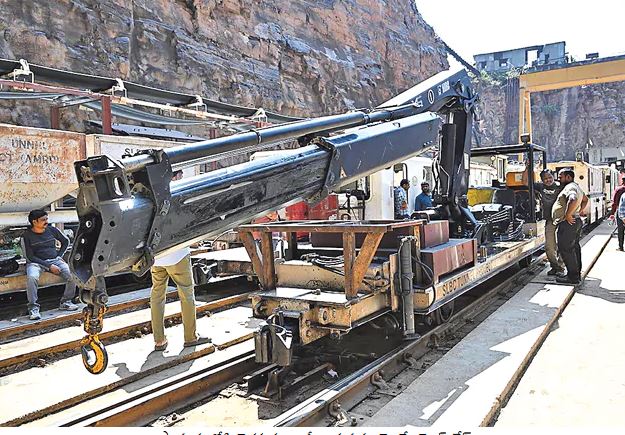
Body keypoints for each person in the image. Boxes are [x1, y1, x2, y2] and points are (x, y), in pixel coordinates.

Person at [150, 170, 210, 351]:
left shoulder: (153, 195)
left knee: (157, 296)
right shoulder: (178, 194)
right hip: (177, 254)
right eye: (180, 176)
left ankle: (159, 340)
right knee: (187, 294)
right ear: (174, 177)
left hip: (157, 256)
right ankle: (190, 337)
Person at [21, 209, 78, 320]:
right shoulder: (26, 236)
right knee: (32, 277)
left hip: (54, 260)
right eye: (43, 220)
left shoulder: (52, 230)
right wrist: (49, 266)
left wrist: (59, 256)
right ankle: (33, 308)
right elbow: (29, 257)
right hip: (35, 263)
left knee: (72, 275)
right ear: (34, 221)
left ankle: (66, 302)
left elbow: (65, 241)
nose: (47, 221)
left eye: (47, 219)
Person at [552, 168, 588, 285]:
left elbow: (573, 199)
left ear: (568, 177)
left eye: (561, 176)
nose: (559, 178)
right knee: (574, 248)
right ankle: (576, 274)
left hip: (568, 223)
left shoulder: (570, 187)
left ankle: (572, 277)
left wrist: (568, 214)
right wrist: (579, 211)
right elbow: (585, 199)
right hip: (575, 221)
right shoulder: (577, 187)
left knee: (566, 248)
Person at [537, 169, 565, 275]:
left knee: (562, 244)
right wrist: (527, 168)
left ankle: (561, 267)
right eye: (545, 178)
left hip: (561, 219)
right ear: (542, 180)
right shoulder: (540, 187)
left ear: (553, 177)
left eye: (550, 177)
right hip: (549, 220)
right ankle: (555, 267)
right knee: (549, 246)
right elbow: (526, 182)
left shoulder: (560, 186)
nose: (548, 180)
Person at [609, 176, 625, 251]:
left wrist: (612, 213)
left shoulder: (619, 190)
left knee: (620, 230)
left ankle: (621, 246)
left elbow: (614, 203)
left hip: (621, 212)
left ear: (622, 181)